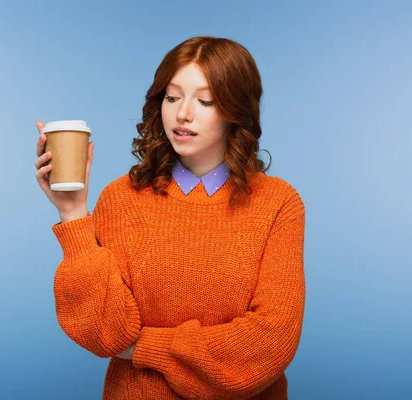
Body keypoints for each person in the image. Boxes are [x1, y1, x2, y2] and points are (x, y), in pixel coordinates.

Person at [34, 36, 305, 400]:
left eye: (205, 100)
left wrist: (146, 346)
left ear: (236, 111)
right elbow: (106, 336)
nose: (183, 114)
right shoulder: (120, 198)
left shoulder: (278, 203)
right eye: (172, 97)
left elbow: (270, 343)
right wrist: (72, 213)